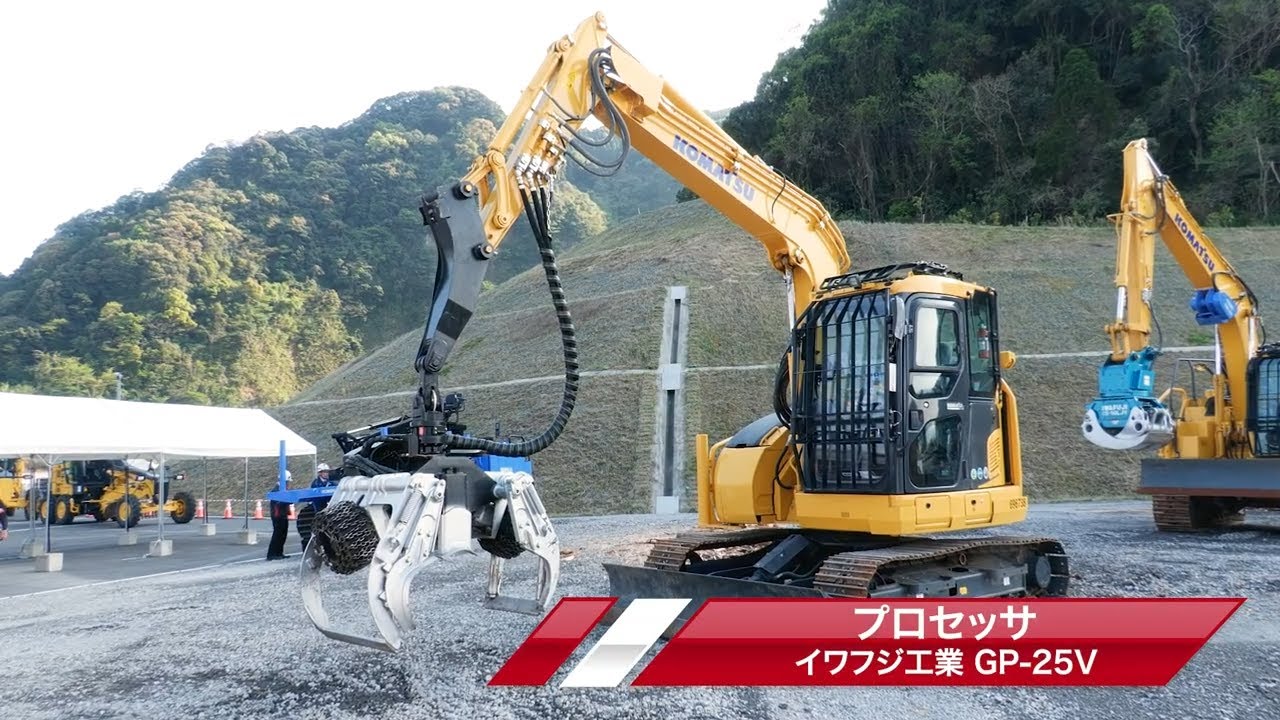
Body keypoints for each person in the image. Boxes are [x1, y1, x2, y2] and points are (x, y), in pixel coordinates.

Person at [266, 470, 292, 561]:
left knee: (283, 534)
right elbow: (278, 502)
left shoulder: (281, 489)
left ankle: (279, 553)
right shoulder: (276, 490)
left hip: (282, 514)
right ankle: (272, 554)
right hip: (278, 516)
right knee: (277, 534)